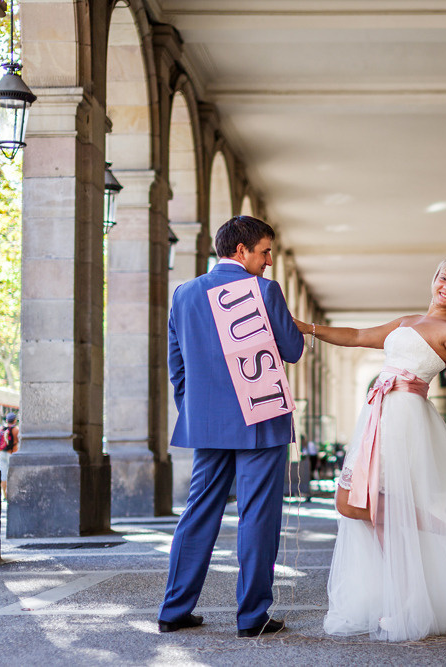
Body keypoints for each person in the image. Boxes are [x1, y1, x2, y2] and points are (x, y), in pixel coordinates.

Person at [294, 252, 446, 642]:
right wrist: (306, 327)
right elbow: (355, 336)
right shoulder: (406, 321)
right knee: (357, 505)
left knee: (374, 505)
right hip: (377, 415)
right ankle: (420, 572)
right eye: (443, 277)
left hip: (405, 417)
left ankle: (409, 594)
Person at [158, 216, 304, 638]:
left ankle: (174, 609)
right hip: (260, 418)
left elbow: (177, 364)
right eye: (264, 251)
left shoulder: (184, 293)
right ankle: (251, 616)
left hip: (207, 421)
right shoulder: (263, 290)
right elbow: (292, 350)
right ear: (241, 251)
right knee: (257, 514)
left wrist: (195, 409)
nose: (270, 261)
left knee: (198, 510)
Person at [0, 412, 19, 499]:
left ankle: (5, 495)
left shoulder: (0, 428)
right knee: (13, 473)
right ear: (15, 420)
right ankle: (12, 494)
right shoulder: (16, 430)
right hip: (11, 453)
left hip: (1, 453)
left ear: (6, 420)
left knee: (3, 474)